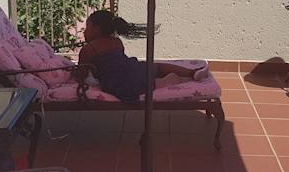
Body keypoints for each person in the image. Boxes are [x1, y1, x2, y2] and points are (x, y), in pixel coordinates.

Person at [78, 10, 208, 103]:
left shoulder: (88, 49)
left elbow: (81, 74)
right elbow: (117, 63)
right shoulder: (117, 42)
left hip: (118, 83)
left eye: (87, 28)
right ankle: (192, 73)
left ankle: (160, 83)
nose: (84, 32)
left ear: (97, 29)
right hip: (132, 68)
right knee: (157, 67)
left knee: (133, 83)